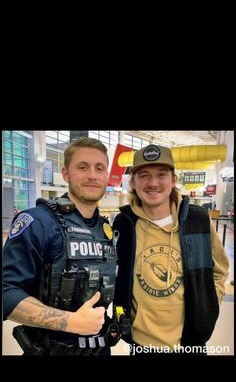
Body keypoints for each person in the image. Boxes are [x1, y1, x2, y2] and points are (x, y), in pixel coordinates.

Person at [3, 137, 126, 355]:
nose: (92, 175)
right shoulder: (38, 223)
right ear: (66, 173)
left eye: (100, 168)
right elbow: (6, 292)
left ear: (107, 175)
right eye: (82, 167)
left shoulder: (106, 230)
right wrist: (70, 321)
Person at [113, 144, 230, 355]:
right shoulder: (124, 224)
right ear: (133, 182)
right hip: (140, 343)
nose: (153, 183)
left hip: (189, 342)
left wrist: (209, 305)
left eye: (162, 174)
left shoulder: (197, 220)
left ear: (173, 180)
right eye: (144, 175)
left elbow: (220, 269)